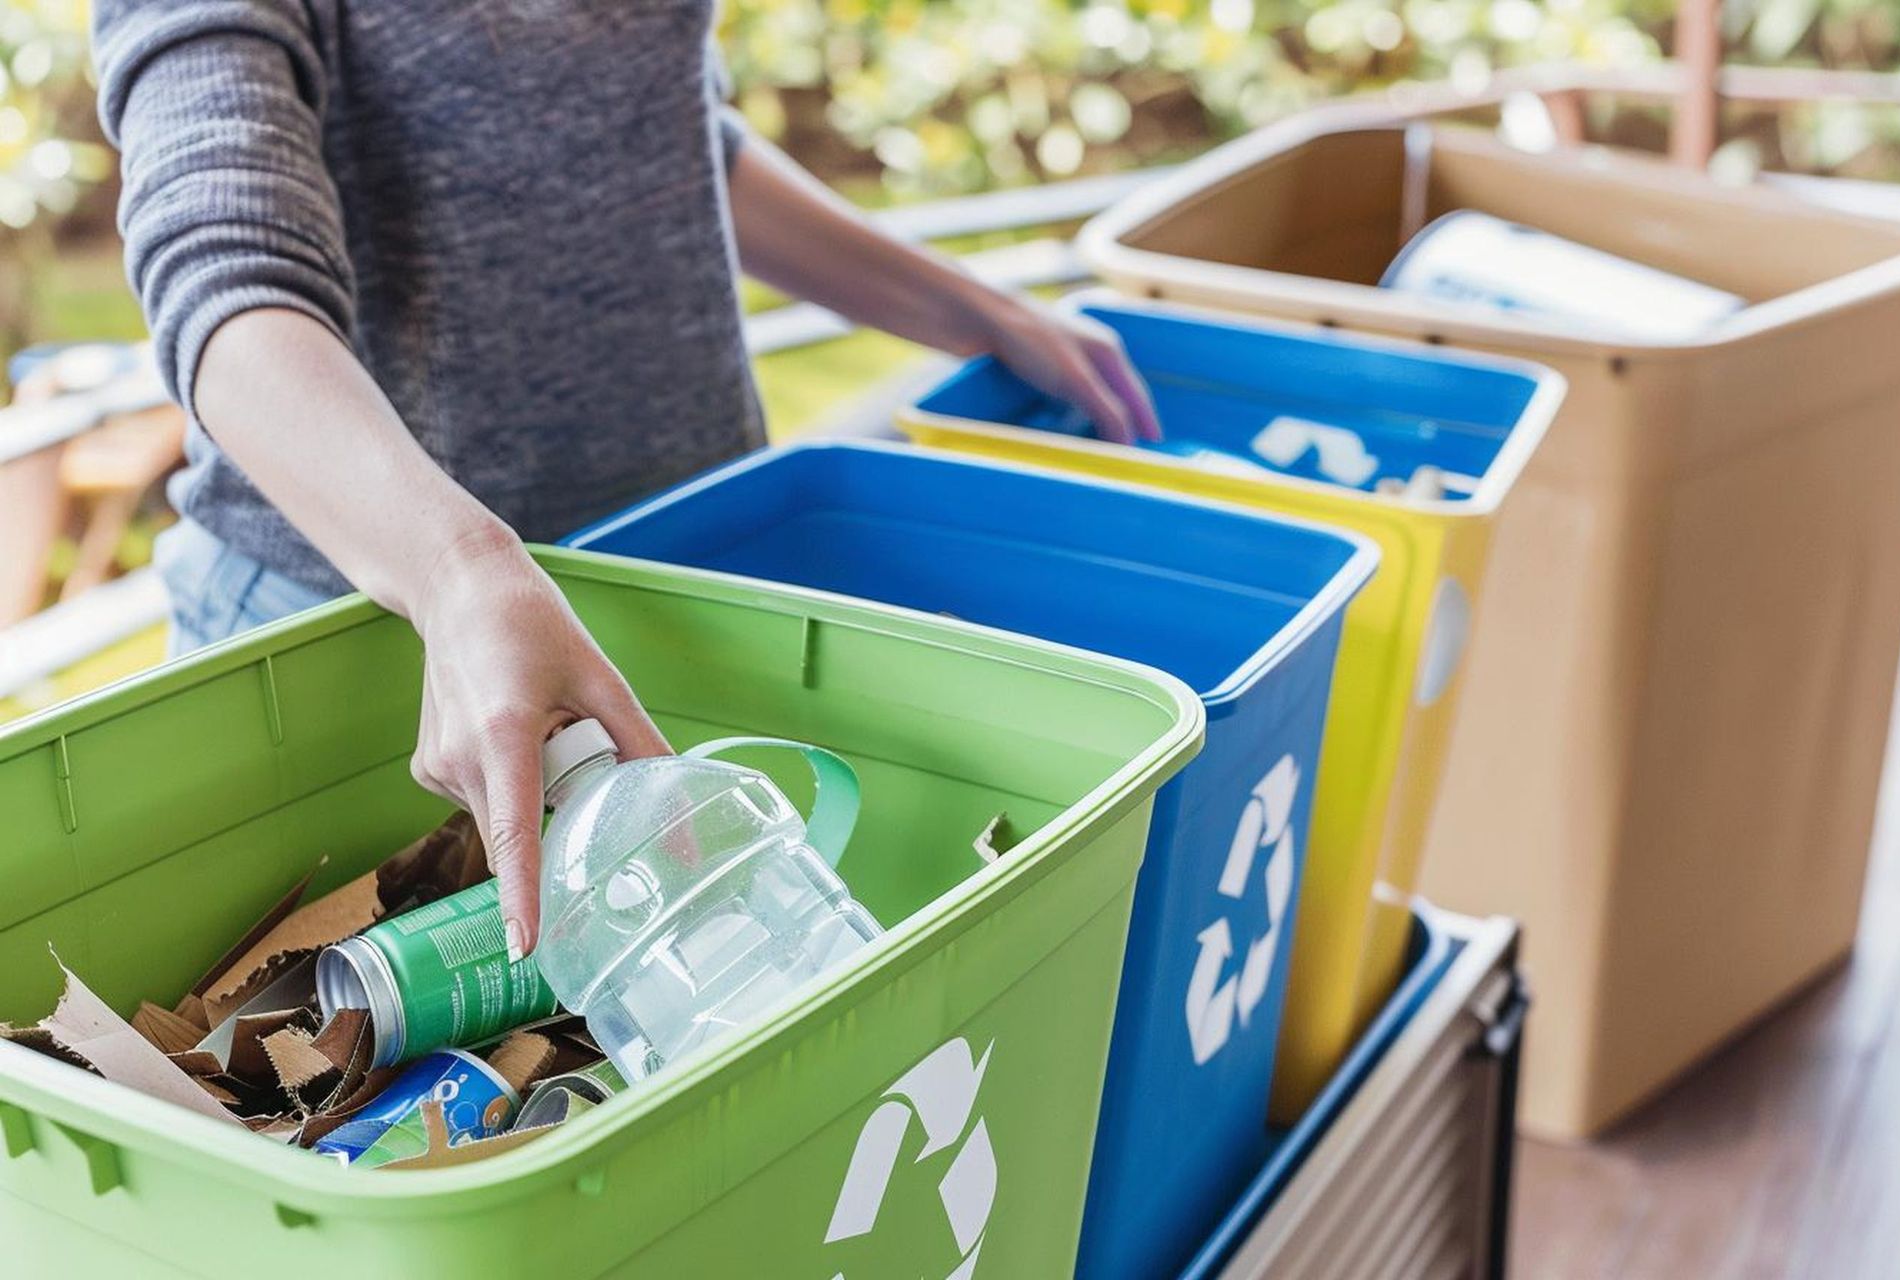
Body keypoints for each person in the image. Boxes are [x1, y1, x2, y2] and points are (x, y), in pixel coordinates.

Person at [93, 1, 1160, 962]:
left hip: (664, 599)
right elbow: (224, 274)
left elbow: (674, 139)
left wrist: (980, 311)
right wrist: (457, 568)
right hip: (377, 639)